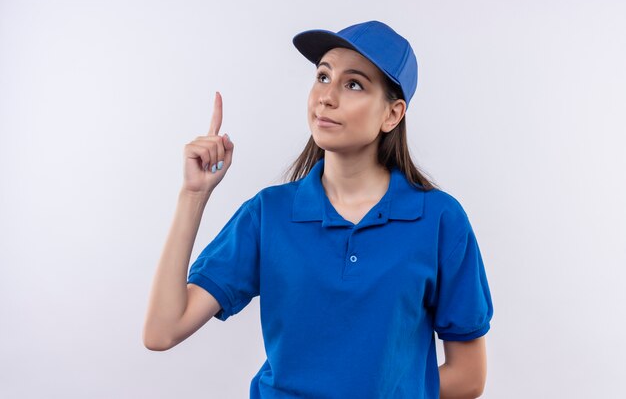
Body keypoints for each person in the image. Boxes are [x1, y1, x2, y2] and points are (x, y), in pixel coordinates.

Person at [143, 20, 494, 399]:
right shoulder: (268, 214)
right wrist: (193, 195)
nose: (326, 97)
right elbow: (162, 331)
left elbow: (469, 376)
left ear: (392, 115)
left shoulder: (439, 220)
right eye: (323, 76)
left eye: (353, 84)